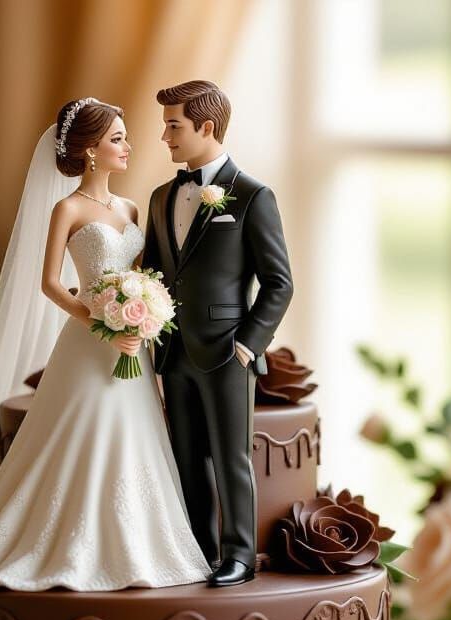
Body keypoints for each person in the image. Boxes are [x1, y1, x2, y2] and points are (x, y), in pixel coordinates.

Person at [0, 99, 209, 592]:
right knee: (79, 430)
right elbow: (50, 283)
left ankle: (135, 540)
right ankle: (59, 539)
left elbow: (144, 275)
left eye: (125, 137)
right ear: (89, 150)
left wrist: (144, 314)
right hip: (90, 341)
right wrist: (102, 318)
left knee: (133, 431)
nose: (128, 146)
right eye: (117, 139)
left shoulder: (129, 208)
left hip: (133, 344)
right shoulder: (68, 208)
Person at [143, 80, 293, 587]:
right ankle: (197, 549)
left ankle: (238, 555)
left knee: (231, 458)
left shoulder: (252, 195)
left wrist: (248, 347)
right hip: (173, 350)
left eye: (173, 125)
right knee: (186, 458)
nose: (164, 136)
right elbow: (157, 272)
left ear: (206, 127)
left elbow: (279, 283)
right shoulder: (162, 196)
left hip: (228, 351)